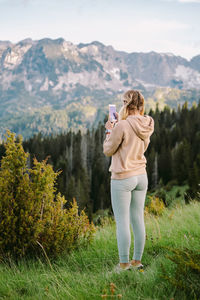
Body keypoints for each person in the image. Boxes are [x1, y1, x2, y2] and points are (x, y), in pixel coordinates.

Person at [103, 90, 154, 272]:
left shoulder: (121, 125)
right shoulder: (148, 123)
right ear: (141, 104)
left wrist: (110, 129)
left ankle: (124, 264)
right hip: (141, 175)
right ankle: (137, 262)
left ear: (125, 104)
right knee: (138, 218)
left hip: (123, 177)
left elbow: (108, 149)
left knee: (123, 221)